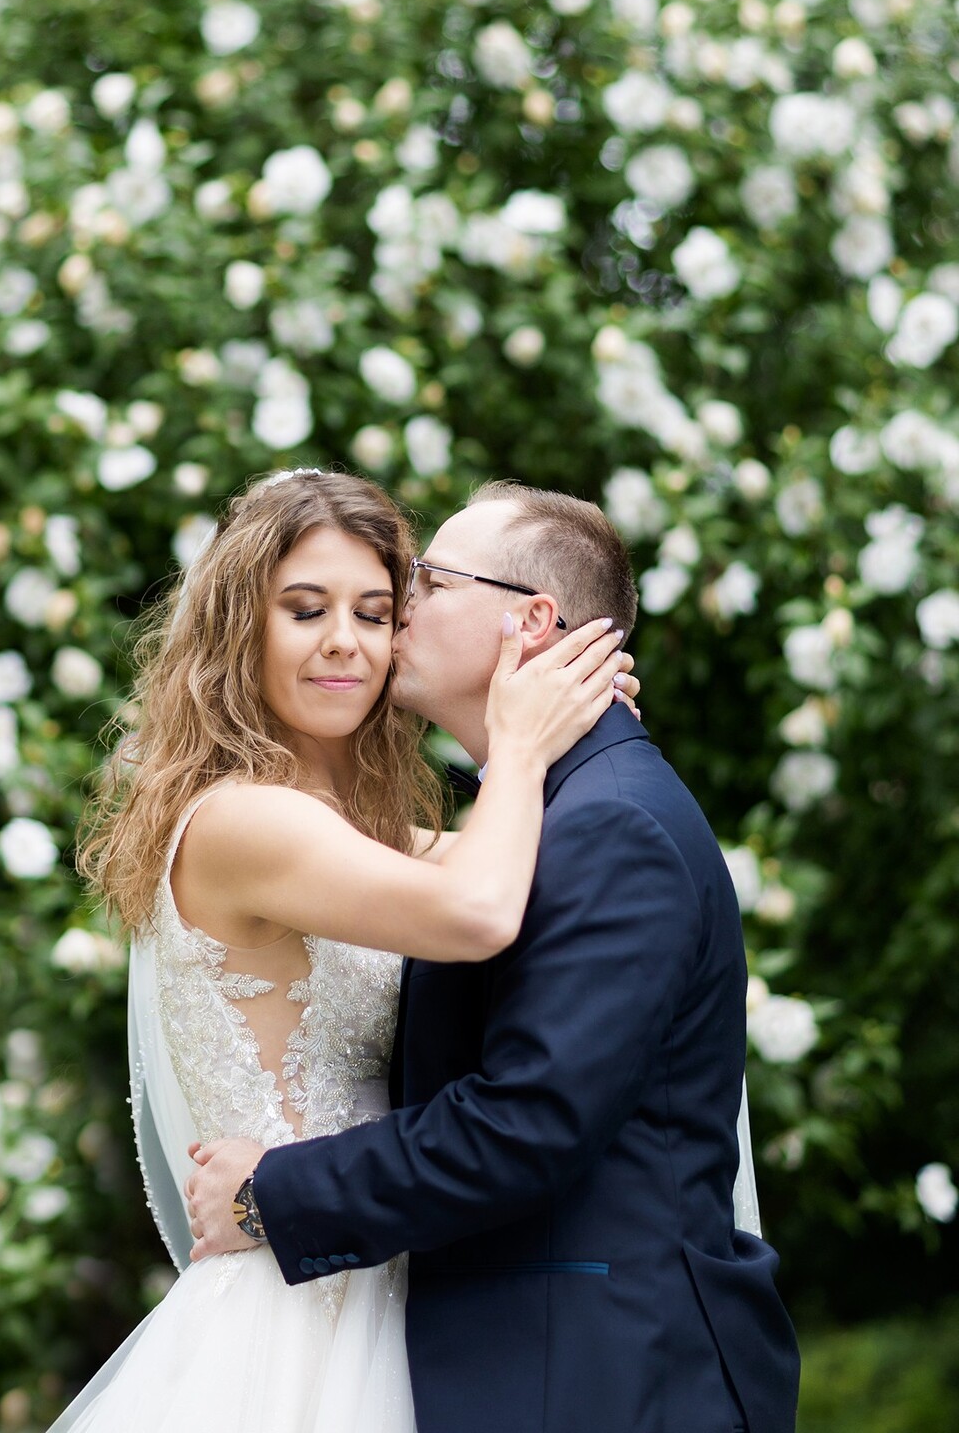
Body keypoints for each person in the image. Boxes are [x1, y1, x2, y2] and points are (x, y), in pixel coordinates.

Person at [187, 482, 801, 1433]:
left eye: (427, 582)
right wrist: (520, 750)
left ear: (532, 620)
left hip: (602, 1374)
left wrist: (273, 1195)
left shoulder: (607, 828)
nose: (401, 606)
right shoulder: (545, 821)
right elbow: (447, 880)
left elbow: (529, 1122)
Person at [47, 468, 637, 1433]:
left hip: (381, 1270)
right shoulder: (245, 821)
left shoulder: (349, 830)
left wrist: (585, 732)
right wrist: (524, 748)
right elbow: (480, 910)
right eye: (304, 609)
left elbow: (526, 869)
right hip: (296, 1318)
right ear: (242, 626)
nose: (342, 643)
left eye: (373, 612)